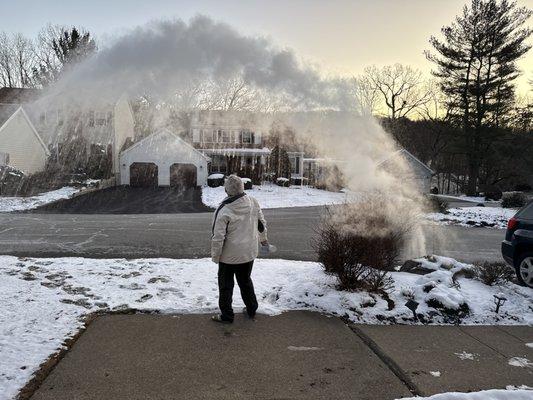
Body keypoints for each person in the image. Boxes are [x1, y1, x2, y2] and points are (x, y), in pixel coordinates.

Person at [211, 175, 268, 323]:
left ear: (227, 190)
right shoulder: (253, 202)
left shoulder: (224, 210)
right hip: (248, 253)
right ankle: (251, 308)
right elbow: (261, 224)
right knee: (245, 281)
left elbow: (218, 236)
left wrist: (216, 256)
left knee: (225, 286)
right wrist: (263, 240)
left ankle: (227, 316)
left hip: (228, 257)